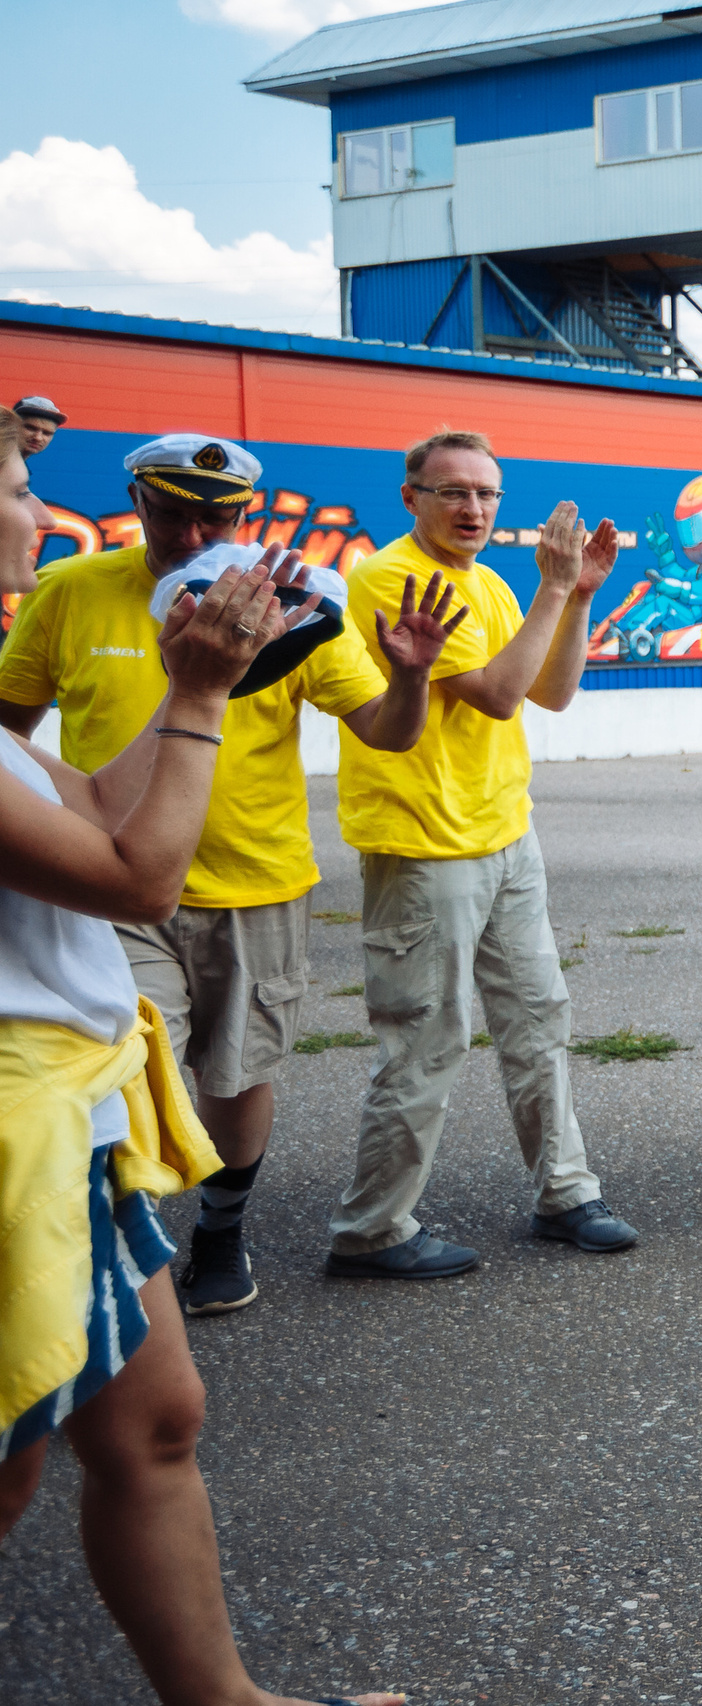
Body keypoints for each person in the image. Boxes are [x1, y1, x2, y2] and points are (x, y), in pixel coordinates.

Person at [0, 414, 403, 1706]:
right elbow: (136, 872)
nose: (32, 507)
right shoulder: (69, 598)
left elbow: (86, 799)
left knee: (156, 1417)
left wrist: (208, 681)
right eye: (15, 485)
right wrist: (194, 695)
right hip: (24, 1114)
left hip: (66, 1111)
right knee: (15, 1459)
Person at [0, 434, 460, 1317]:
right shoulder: (68, 592)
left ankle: (222, 1229)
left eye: (217, 514)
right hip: (113, 883)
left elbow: (390, 731)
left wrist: (412, 679)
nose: (193, 531)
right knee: (123, 1067)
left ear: (243, 515)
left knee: (237, 1075)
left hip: (256, 879)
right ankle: (110, 1251)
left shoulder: (286, 601)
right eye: (173, 510)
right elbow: (12, 736)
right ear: (137, 500)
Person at [323, 429, 637, 1279]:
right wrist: (554, 586)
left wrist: (573, 602)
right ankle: (372, 1228)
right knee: (426, 1036)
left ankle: (565, 1192)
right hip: (424, 846)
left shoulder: (492, 582)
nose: (473, 508)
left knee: (539, 1018)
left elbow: (553, 693)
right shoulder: (393, 578)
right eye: (452, 491)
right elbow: (498, 697)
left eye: (487, 494)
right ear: (410, 497)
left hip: (504, 835)